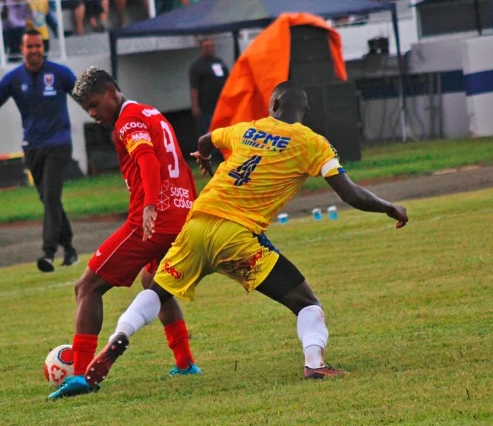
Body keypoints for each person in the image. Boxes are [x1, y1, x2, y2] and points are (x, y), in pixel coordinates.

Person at [79, 80, 409, 393]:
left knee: (157, 291)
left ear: (273, 104)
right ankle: (315, 364)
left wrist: (205, 159)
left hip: (196, 224)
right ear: (302, 112)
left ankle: (121, 334)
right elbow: (349, 194)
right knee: (307, 304)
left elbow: (206, 139)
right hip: (235, 237)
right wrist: (389, 206)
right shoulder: (312, 142)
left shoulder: (247, 129)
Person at [47, 66, 201, 400]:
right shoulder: (151, 112)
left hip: (153, 221)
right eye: (86, 108)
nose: (92, 113)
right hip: (182, 213)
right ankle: (185, 361)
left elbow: (147, 159)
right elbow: (178, 165)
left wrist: (148, 205)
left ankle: (82, 375)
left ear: (112, 90)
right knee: (154, 283)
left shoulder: (127, 120)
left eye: (94, 104)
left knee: (87, 286)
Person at [0, 29, 79, 272]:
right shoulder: (13, 78)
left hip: (59, 143)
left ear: (43, 48)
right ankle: (71, 249)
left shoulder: (60, 73)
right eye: (29, 46)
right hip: (32, 146)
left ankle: (48, 254)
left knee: (51, 197)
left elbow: (83, 97)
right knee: (48, 200)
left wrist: (104, 118)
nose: (34, 51)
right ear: (21, 50)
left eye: (38, 46)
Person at [189, 38, 229, 136]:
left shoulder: (219, 62)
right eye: (206, 47)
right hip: (206, 106)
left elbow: (227, 80)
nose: (209, 49)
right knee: (210, 130)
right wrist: (195, 106)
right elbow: (194, 87)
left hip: (221, 104)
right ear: (202, 49)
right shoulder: (197, 66)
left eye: (211, 46)